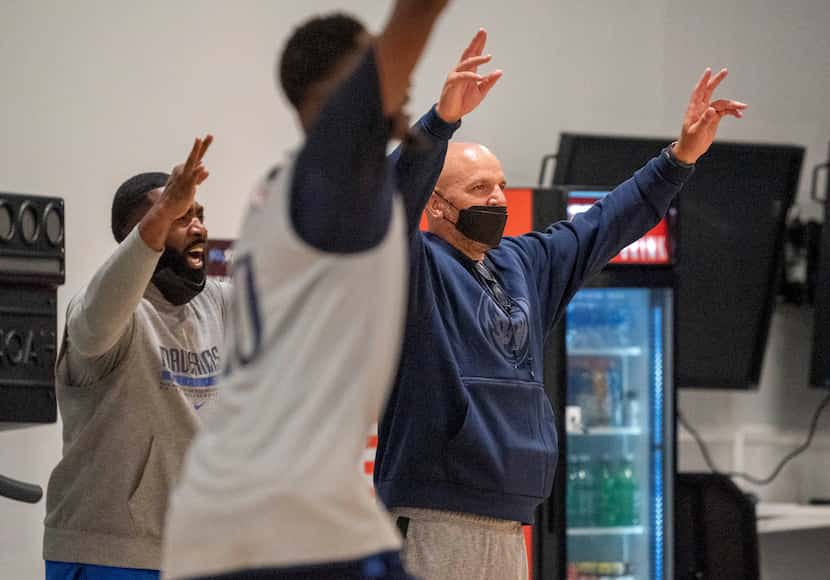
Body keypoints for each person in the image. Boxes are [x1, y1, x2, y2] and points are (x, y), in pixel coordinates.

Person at [161, 5, 500, 580]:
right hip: (277, 519)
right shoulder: (325, 178)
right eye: (375, 64)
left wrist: (441, 121)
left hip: (268, 510)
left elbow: (398, 173)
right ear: (336, 92)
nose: (403, 78)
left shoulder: (303, 190)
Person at [373, 69, 747, 579]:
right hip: (435, 519)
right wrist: (440, 123)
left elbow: (607, 222)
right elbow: (386, 208)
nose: (499, 200)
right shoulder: (412, 266)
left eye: (501, 186)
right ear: (436, 205)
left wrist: (679, 158)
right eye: (480, 188)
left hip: (509, 525)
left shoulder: (521, 264)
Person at [43, 136, 227, 580]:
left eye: (198, 216)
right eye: (181, 217)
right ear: (135, 236)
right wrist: (163, 214)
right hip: (106, 553)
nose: (198, 227)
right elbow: (104, 305)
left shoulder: (214, 303)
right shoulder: (99, 311)